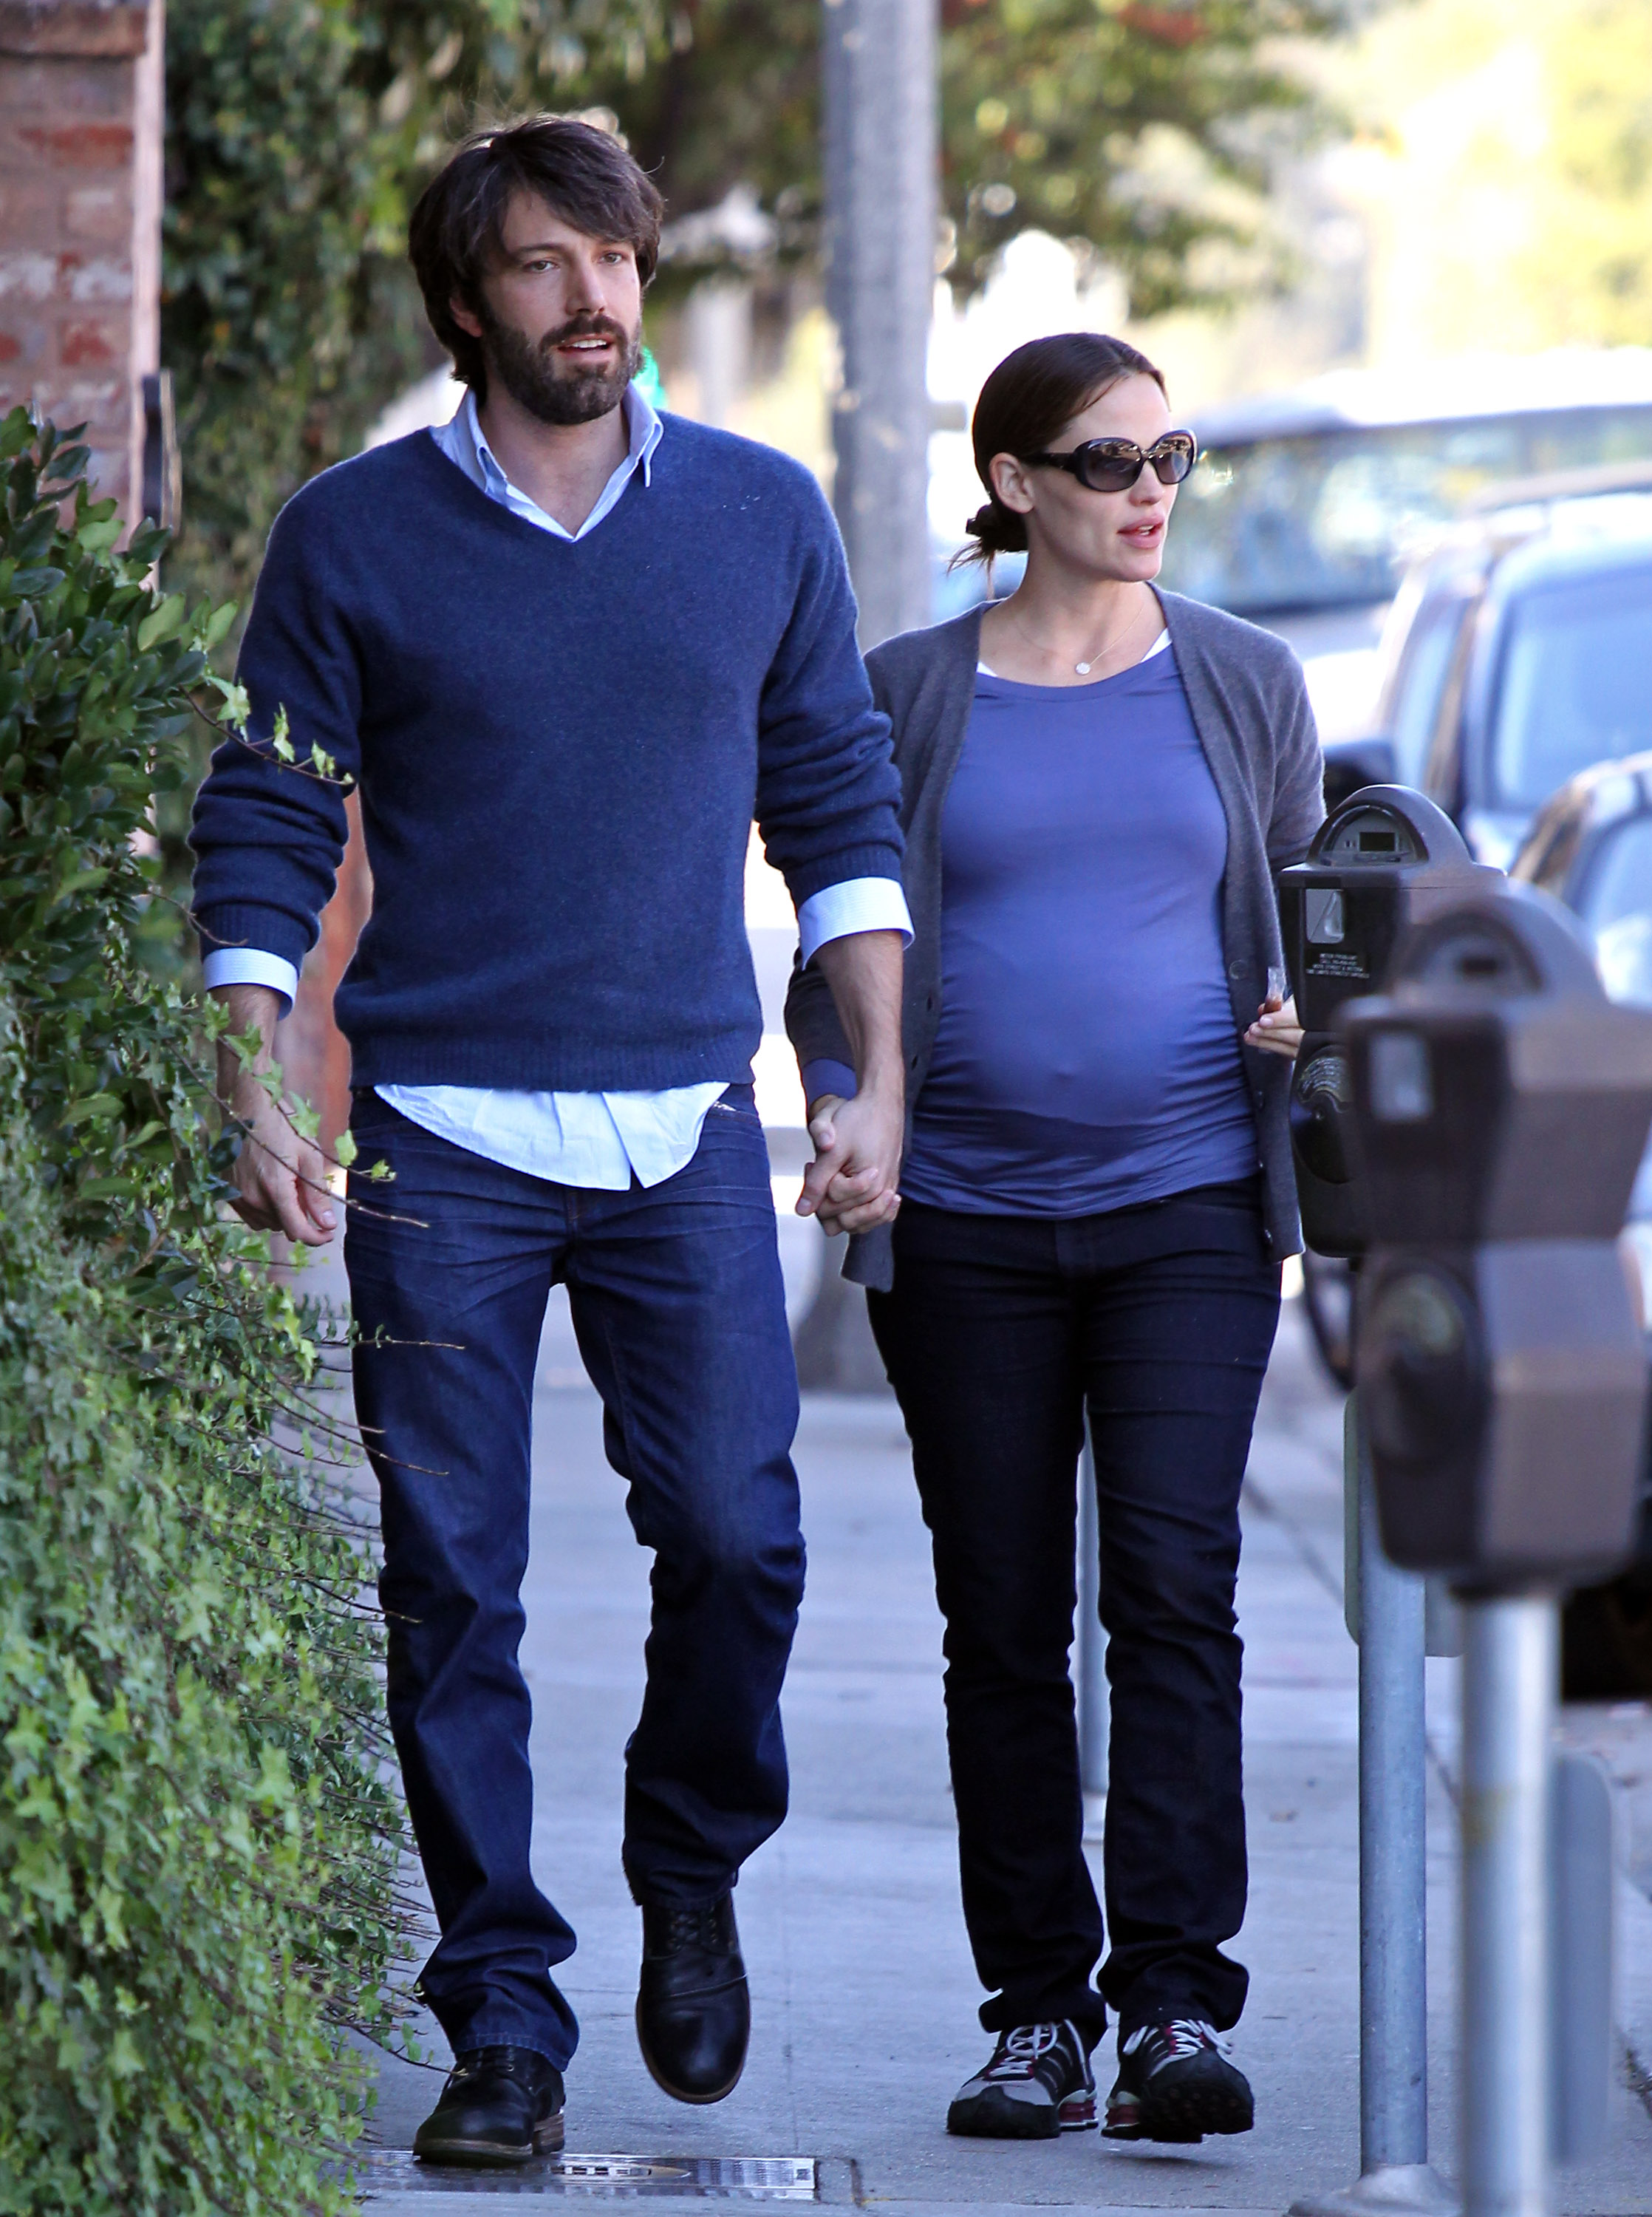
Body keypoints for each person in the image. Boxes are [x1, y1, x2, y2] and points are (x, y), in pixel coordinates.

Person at [191, 115, 910, 2169]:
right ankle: (500, 2017)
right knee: (450, 1587)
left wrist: (869, 1083)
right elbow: (267, 813)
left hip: (685, 1114)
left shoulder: (760, 517)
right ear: (464, 305)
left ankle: (689, 1865)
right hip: (440, 1134)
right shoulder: (353, 533)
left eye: (614, 262)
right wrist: (254, 1073)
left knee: (739, 1535)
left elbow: (838, 807)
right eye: (541, 267)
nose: (592, 299)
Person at [788, 332, 1322, 2149]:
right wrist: (850, 1112)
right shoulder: (907, 692)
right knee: (1001, 1621)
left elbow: (1313, 924)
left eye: (1171, 455)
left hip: (1184, 1209)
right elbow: (841, 933)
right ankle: (1032, 2012)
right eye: (1105, 461)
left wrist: (1300, 1013)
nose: (1148, 489)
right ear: (1013, 483)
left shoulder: (1243, 683)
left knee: (1174, 1594)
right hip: (970, 1229)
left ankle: (1170, 2002)